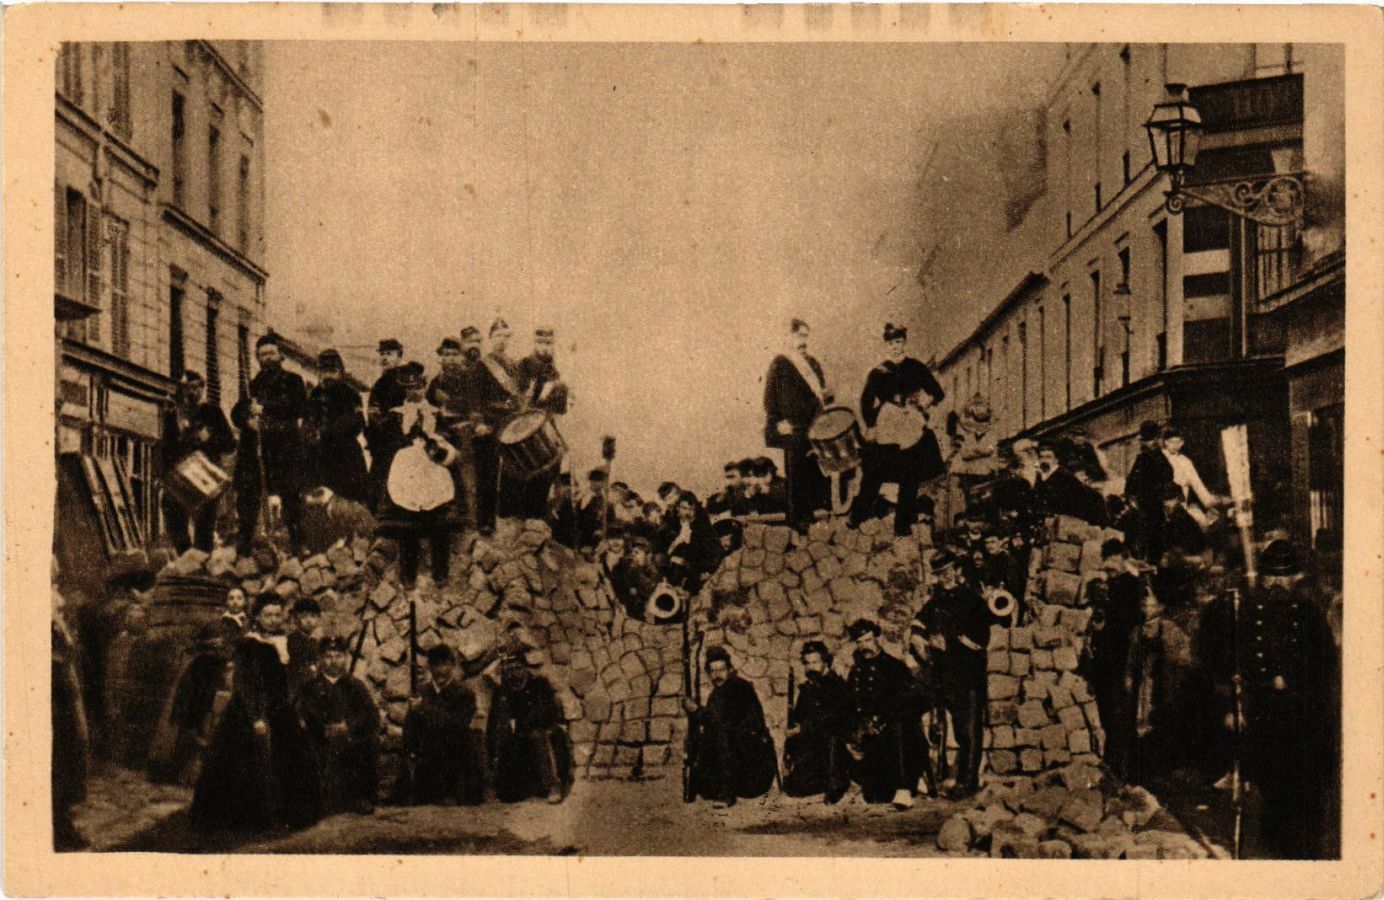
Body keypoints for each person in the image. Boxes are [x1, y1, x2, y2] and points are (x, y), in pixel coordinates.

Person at [1234, 539, 1338, 859]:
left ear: (1295, 580)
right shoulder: (1251, 612)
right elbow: (1239, 656)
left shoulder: (1309, 613)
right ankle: (1275, 831)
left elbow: (1325, 660)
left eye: (1283, 578)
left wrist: (1292, 680)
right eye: (1271, 578)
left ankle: (1302, 841)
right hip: (1265, 706)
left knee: (1303, 778)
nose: (1277, 584)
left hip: (1302, 706)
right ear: (1263, 580)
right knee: (1270, 774)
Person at [190, 593, 322, 831]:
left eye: (277, 615)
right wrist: (256, 717)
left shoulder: (286, 641)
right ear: (258, 616)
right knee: (253, 760)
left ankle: (291, 815)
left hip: (281, 708)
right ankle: (253, 819)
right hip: (252, 710)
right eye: (267, 615)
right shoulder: (249, 644)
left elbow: (289, 678)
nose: (273, 620)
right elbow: (246, 683)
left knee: (293, 755)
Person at [849, 324, 946, 537]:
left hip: (911, 420)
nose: (895, 346)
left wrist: (923, 403)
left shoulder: (916, 366)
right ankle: (859, 518)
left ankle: (903, 525)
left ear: (904, 342)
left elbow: (937, 392)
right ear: (887, 344)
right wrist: (872, 425)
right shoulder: (878, 371)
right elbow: (866, 401)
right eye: (891, 343)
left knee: (911, 474)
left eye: (899, 342)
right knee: (875, 470)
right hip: (888, 420)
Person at [375, 362, 460, 590]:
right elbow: (385, 443)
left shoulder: (434, 413)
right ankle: (408, 576)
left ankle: (440, 574)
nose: (414, 393)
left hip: (432, 471)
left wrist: (437, 442)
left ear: (424, 388)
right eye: (408, 389)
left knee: (439, 523)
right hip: (405, 472)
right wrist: (404, 435)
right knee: (407, 526)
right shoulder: (395, 416)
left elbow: (449, 440)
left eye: (418, 388)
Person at [926, 551, 991, 798]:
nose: (943, 578)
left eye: (946, 572)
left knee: (970, 730)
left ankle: (969, 781)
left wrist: (951, 640)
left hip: (969, 673)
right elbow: (923, 619)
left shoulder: (972, 599)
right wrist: (923, 636)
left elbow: (981, 640)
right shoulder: (938, 600)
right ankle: (960, 779)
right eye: (938, 574)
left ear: (958, 571)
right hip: (947, 674)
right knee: (957, 728)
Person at [682, 646, 777, 808]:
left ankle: (727, 794)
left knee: (723, 733)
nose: (717, 675)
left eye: (721, 669)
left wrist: (696, 710)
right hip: (738, 760)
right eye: (713, 671)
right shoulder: (717, 693)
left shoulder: (738, 688)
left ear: (730, 670)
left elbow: (719, 720)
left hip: (753, 762)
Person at [296, 635, 381, 815]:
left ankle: (359, 797)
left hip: (350, 739)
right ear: (321, 659)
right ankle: (318, 800)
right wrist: (324, 728)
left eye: (338, 656)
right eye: (328, 656)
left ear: (346, 658)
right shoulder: (310, 686)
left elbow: (371, 715)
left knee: (368, 743)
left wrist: (349, 725)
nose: (333, 661)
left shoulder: (356, 686)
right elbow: (304, 712)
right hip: (321, 738)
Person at [845, 617, 924, 808]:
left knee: (898, 728)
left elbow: (907, 703)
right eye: (860, 642)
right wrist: (860, 727)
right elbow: (850, 704)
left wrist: (881, 721)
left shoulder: (894, 667)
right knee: (875, 797)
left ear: (877, 639)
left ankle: (905, 786)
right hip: (870, 735)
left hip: (894, 732)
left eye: (868, 640)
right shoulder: (856, 671)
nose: (864, 646)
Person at [764, 318, 831, 530]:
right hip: (794, 429)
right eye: (799, 336)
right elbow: (770, 398)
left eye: (806, 336)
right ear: (789, 337)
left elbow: (821, 393)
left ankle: (817, 519)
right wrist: (777, 422)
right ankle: (797, 523)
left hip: (815, 426)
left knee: (817, 471)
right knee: (796, 476)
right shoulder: (780, 363)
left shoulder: (813, 364)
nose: (803, 341)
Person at [161, 370, 237, 553]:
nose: (191, 392)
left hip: (206, 473)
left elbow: (229, 444)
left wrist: (208, 439)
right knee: (171, 509)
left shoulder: (213, 412)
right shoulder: (175, 413)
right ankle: (185, 556)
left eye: (195, 387)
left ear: (203, 388)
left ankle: (202, 563)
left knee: (204, 524)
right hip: (183, 473)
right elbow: (168, 446)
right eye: (186, 388)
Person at [1088, 539, 1146, 776]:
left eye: (1111, 559)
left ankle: (1123, 766)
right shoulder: (1109, 584)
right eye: (1105, 559)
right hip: (1106, 657)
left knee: (1120, 711)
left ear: (1123, 557)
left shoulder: (1132, 585)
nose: (1106, 565)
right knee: (1108, 710)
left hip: (1122, 657)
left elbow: (1130, 620)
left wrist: (1108, 609)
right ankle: (1113, 760)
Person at [399, 645, 483, 806]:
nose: (441, 670)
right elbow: (410, 726)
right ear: (429, 667)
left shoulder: (465, 693)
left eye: (445, 665)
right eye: (436, 665)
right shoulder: (422, 690)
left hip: (453, 754)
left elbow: (456, 725)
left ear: (453, 666)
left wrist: (423, 708)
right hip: (427, 755)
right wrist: (409, 751)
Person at [249, 334, 310, 553]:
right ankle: (269, 549)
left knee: (292, 496)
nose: (267, 358)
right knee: (266, 496)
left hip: (289, 447)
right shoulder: (254, 385)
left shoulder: (293, 381)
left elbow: (299, 407)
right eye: (262, 355)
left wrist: (265, 410)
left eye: (271, 353)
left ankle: (299, 544)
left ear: (279, 355)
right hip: (266, 448)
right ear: (257, 358)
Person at [153, 622, 232, 786]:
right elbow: (189, 688)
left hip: (203, 705)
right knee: (190, 740)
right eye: (214, 642)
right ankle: (180, 773)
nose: (217, 646)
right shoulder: (202, 661)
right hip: (196, 706)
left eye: (219, 642)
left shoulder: (216, 661)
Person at [487, 654, 572, 804]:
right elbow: (495, 718)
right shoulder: (503, 690)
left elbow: (547, 711)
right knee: (508, 796)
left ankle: (552, 785)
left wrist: (525, 722)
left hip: (539, 729)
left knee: (538, 737)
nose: (515, 672)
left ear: (526, 668)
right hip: (517, 735)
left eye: (518, 667)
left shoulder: (539, 685)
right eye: (510, 669)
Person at [469, 320, 524, 532]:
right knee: (487, 476)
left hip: (509, 425)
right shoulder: (482, 365)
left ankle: (507, 517)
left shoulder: (514, 365)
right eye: (498, 336)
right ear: (491, 338)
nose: (502, 340)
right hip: (489, 425)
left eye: (506, 336)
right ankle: (486, 523)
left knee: (511, 472)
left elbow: (518, 397)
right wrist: (479, 423)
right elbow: (474, 399)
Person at [510, 327, 570, 520]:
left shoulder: (554, 371)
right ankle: (523, 519)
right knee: (528, 473)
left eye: (549, 343)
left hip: (545, 424)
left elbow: (560, 409)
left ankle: (538, 520)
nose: (545, 347)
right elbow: (519, 397)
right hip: (525, 427)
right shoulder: (524, 365)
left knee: (551, 468)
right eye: (541, 343)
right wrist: (542, 393)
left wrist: (560, 391)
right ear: (534, 343)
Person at [783, 640, 852, 804]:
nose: (810, 667)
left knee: (832, 740)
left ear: (825, 662)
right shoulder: (807, 689)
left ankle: (836, 784)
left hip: (834, 747)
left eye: (815, 662)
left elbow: (834, 717)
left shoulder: (837, 685)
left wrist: (803, 728)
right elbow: (797, 720)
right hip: (812, 747)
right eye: (807, 663)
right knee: (793, 788)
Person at [428, 336, 481, 532]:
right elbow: (429, 404)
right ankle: (446, 520)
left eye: (454, 354)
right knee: (442, 475)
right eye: (446, 355)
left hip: (464, 432)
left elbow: (475, 407)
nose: (450, 359)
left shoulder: (470, 379)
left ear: (461, 356)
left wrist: (449, 403)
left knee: (467, 478)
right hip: (443, 432)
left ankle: (471, 523)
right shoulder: (435, 382)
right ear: (440, 357)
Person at [305, 349, 369, 504]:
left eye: (332, 371)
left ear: (340, 372)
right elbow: (309, 421)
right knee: (319, 500)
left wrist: (326, 432)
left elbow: (357, 423)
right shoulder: (315, 394)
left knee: (348, 500)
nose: (328, 376)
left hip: (346, 455)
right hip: (320, 456)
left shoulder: (351, 394)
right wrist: (310, 433)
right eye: (324, 371)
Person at [52, 596, 90, 850]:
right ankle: (60, 825)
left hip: (66, 690)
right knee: (61, 757)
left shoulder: (57, 620)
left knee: (70, 752)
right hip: (56, 696)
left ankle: (62, 820)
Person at [365, 338, 408, 510]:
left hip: (400, 441)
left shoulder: (406, 380)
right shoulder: (380, 383)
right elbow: (373, 412)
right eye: (382, 354)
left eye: (389, 354)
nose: (384, 358)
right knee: (379, 484)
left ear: (399, 356)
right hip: (382, 442)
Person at [1123, 421, 1174, 561]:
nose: (1145, 444)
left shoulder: (1149, 458)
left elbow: (1131, 484)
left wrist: (1133, 499)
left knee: (1149, 549)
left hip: (1149, 510)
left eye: (1147, 441)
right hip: (1150, 510)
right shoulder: (1153, 457)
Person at [659, 492, 721, 593]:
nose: (688, 512)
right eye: (684, 508)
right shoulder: (672, 526)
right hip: (677, 575)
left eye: (691, 509)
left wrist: (686, 563)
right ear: (677, 508)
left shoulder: (703, 529)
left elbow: (713, 558)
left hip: (699, 575)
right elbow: (665, 553)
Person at [229, 398, 264, 557]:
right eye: (255, 417)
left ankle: (245, 554)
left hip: (248, 486)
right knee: (248, 525)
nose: (258, 420)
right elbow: (248, 466)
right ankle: (244, 556)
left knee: (248, 525)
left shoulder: (250, 436)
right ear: (247, 419)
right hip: (248, 487)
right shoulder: (249, 438)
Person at [1032, 442, 1090, 522]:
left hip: (1069, 519)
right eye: (1042, 457)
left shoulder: (1064, 476)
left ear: (1056, 460)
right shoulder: (1040, 477)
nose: (1044, 460)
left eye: (1048, 457)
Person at [611, 535, 661, 620]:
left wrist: (637, 571)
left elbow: (649, 590)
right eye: (632, 552)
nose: (633, 555)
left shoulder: (653, 570)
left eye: (637, 552)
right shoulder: (629, 568)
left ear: (647, 555)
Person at [286, 597, 323, 693]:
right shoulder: (292, 641)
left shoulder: (317, 641)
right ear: (295, 619)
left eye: (313, 616)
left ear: (319, 618)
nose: (309, 620)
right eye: (304, 616)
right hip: (298, 687)